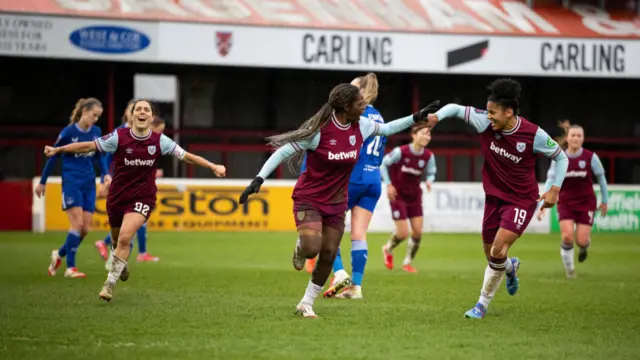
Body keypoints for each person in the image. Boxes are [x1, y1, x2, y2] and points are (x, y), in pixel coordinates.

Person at [239, 82, 440, 317]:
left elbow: (387, 129)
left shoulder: (362, 126)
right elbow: (284, 151)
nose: (364, 105)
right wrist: (259, 179)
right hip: (310, 197)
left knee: (329, 252)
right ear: (346, 106)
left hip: (337, 201)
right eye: (359, 103)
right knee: (312, 248)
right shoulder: (319, 131)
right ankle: (301, 247)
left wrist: (415, 117)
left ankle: (306, 303)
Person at [43, 99, 226, 302]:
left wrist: (212, 166)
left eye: (146, 110)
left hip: (143, 197)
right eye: (138, 109)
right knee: (115, 241)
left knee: (125, 236)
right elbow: (88, 146)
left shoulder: (160, 141)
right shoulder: (118, 137)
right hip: (117, 197)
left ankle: (109, 284)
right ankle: (121, 263)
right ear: (131, 116)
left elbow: (187, 156)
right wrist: (58, 150)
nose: (141, 112)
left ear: (150, 117)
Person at [426, 78, 569, 319]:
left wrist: (555, 189)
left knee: (498, 248)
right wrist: (437, 117)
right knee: (493, 255)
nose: (488, 116)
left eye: (493, 112)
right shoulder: (484, 121)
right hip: (493, 199)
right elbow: (455, 108)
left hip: (521, 201)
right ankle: (511, 268)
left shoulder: (533, 134)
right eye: (488, 111)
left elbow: (561, 157)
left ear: (509, 111)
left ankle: (481, 305)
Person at [300, 73, 387, 300]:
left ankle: (338, 272)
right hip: (373, 179)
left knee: (330, 224)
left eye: (353, 87)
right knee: (359, 234)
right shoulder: (380, 117)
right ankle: (356, 287)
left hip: (352, 178)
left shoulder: (354, 114)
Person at [36, 98, 111, 278]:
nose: (95, 119)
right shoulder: (68, 133)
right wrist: (42, 181)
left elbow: (99, 156)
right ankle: (71, 268)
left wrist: (105, 174)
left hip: (89, 183)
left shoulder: (96, 132)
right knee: (76, 224)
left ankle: (59, 254)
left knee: (85, 229)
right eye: (93, 115)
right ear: (84, 111)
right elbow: (53, 156)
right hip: (71, 182)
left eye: (98, 117)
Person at [537, 124, 608, 278]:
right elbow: (551, 179)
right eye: (573, 135)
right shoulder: (558, 158)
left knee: (581, 240)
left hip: (586, 203)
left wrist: (605, 200)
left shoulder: (590, 157)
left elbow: (601, 179)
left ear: (583, 139)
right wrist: (544, 202)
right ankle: (570, 270)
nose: (576, 138)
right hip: (566, 203)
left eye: (579, 136)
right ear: (567, 138)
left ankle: (584, 247)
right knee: (567, 236)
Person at [96, 106, 163, 268]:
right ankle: (119, 254)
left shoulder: (151, 140)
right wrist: (106, 177)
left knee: (134, 224)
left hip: (139, 189)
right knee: (127, 228)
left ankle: (127, 258)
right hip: (121, 185)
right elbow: (105, 155)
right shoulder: (120, 134)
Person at [380, 123, 436, 273]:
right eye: (424, 133)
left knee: (417, 232)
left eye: (429, 134)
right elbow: (383, 165)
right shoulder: (400, 152)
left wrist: (430, 180)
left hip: (415, 196)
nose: (427, 137)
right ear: (414, 135)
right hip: (397, 196)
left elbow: (431, 172)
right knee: (403, 233)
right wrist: (388, 184)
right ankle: (387, 249)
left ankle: (407, 263)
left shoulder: (428, 156)